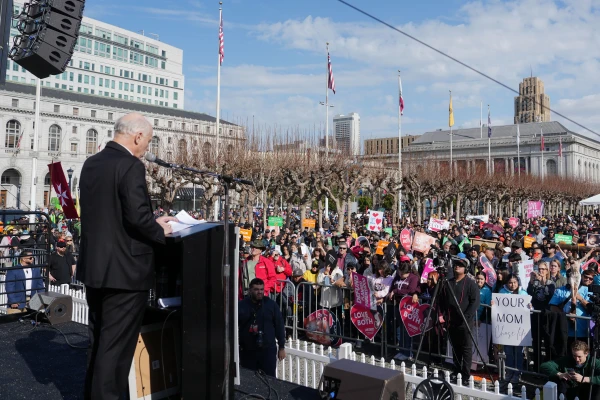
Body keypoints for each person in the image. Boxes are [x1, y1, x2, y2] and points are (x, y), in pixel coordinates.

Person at [76, 113, 177, 400]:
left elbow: (112, 215)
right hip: (126, 272)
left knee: (98, 342)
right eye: (148, 139)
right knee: (116, 348)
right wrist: (161, 229)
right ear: (137, 137)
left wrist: (148, 220)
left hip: (96, 268)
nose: (147, 146)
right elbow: (136, 217)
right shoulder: (130, 165)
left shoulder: (91, 163)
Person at [238, 278, 286, 377]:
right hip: (248, 350)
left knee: (270, 380)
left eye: (261, 289)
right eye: (256, 289)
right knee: (249, 379)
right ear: (250, 290)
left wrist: (281, 347)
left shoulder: (271, 305)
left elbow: (279, 326)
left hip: (267, 349)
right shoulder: (242, 305)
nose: (259, 292)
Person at [442, 256, 480, 381]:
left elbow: (475, 302)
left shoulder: (471, 284)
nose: (457, 266)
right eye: (455, 264)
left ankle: (465, 373)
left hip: (465, 321)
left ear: (466, 269)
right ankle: (457, 370)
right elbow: (443, 299)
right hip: (451, 320)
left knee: (466, 348)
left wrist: (467, 316)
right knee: (455, 347)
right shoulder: (449, 282)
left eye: (460, 265)